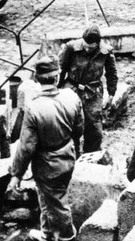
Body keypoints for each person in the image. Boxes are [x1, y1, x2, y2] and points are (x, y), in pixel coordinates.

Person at [7, 56, 83, 241]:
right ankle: (47, 233)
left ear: (37, 79)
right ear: (57, 77)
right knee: (48, 197)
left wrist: (16, 174)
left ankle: (67, 237)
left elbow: (26, 147)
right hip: (68, 154)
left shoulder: (34, 108)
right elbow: (79, 129)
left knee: (56, 203)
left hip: (47, 165)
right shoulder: (72, 96)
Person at [58, 24, 118, 153]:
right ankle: (73, 152)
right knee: (70, 122)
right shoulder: (71, 47)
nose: (87, 49)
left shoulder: (106, 51)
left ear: (98, 44)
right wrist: (57, 89)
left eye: (90, 48)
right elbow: (61, 69)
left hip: (93, 91)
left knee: (94, 126)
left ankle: (91, 155)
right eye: (85, 46)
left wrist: (111, 93)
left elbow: (111, 73)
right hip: (72, 88)